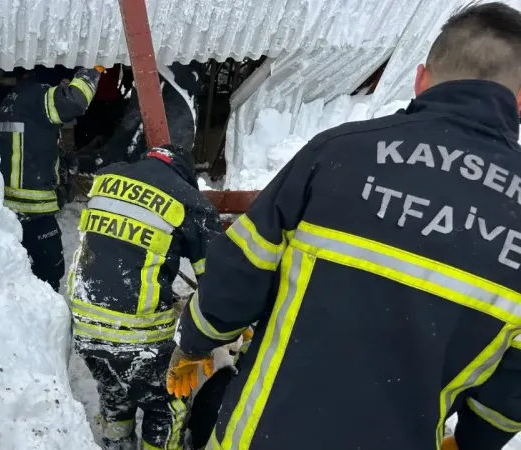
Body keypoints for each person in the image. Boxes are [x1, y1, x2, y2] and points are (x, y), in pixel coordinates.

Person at [167, 3, 521, 450]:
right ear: (520, 100)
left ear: (421, 79)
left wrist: (196, 343)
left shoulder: (338, 154)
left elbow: (238, 272)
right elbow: (511, 389)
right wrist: (475, 441)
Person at [68, 144, 221, 450]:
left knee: (115, 396)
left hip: (85, 325)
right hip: (138, 337)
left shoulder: (106, 179)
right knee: (166, 406)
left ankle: (116, 445)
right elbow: (218, 282)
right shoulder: (191, 201)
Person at [0, 65, 102, 291]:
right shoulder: (39, 94)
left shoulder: (12, 99)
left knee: (20, 268)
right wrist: (93, 70)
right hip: (33, 206)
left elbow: (27, 140)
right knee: (51, 270)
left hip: (9, 202)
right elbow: (75, 101)